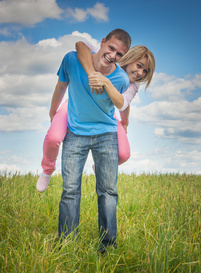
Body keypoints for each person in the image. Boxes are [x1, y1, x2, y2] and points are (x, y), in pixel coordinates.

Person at [43, 29, 132, 253]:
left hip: (106, 136)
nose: (113, 55)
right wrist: (53, 111)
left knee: (108, 192)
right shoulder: (72, 60)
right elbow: (61, 86)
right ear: (102, 43)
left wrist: (104, 82)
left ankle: (108, 247)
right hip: (75, 132)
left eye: (120, 54)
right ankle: (66, 245)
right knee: (70, 190)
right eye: (111, 48)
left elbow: (122, 103)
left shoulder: (120, 78)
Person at [36, 43, 155, 193]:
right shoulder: (109, 58)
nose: (140, 73)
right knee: (53, 138)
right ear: (129, 58)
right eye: (139, 66)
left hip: (106, 116)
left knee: (124, 154)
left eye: (145, 71)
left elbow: (124, 103)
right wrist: (92, 73)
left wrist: (125, 122)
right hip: (75, 106)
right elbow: (81, 45)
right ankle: (47, 169)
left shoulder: (133, 84)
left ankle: (99, 166)